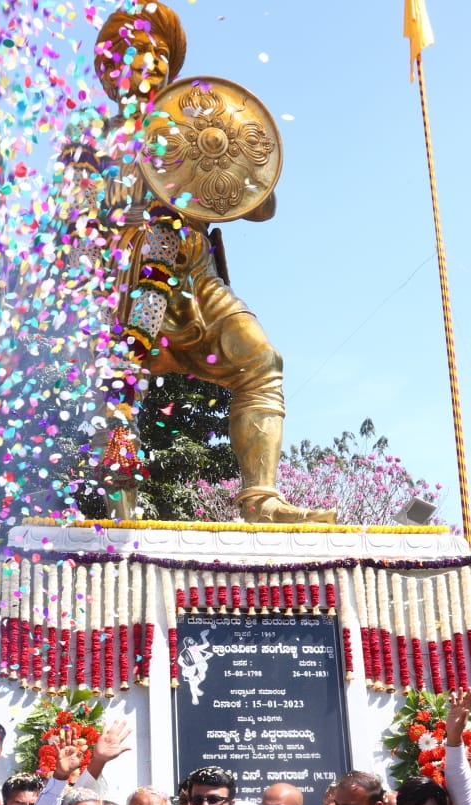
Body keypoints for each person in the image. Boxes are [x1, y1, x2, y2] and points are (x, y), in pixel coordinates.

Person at [69, 4, 336, 525]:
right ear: (113, 68)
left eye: (159, 56)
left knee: (260, 362)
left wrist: (236, 151)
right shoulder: (94, 143)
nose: (150, 63)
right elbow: (73, 223)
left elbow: (259, 205)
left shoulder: (193, 126)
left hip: (195, 272)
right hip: (130, 270)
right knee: (120, 386)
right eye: (138, 54)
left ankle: (263, 500)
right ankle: (123, 509)